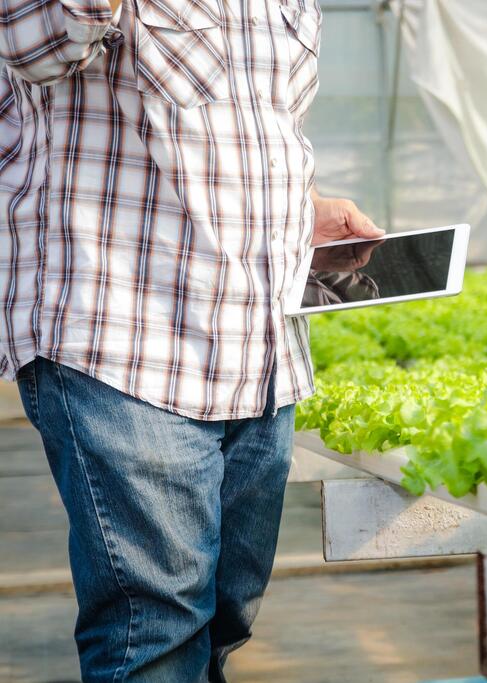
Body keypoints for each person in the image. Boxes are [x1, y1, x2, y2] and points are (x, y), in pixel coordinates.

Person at [0, 0, 379, 678]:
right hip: (120, 333)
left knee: (225, 617)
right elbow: (32, 45)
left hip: (256, 347)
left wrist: (302, 214)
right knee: (156, 628)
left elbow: (261, 124)